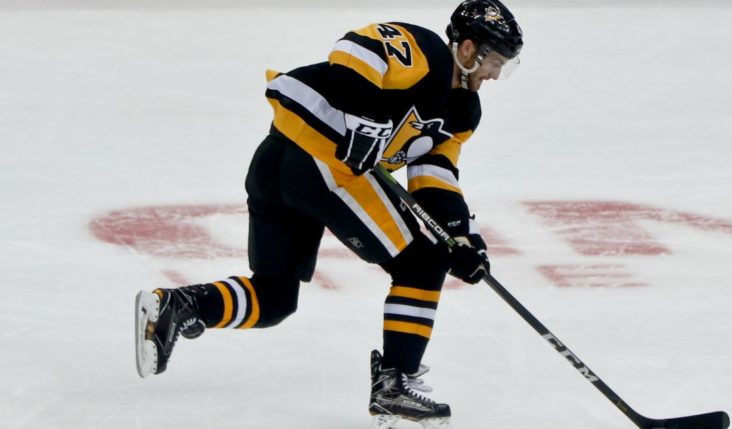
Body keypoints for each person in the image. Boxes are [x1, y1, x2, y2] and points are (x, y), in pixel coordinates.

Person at [134, 1, 523, 427]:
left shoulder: (463, 113)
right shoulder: (427, 51)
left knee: (275, 299)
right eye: (494, 61)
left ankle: (180, 306)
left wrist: (463, 238)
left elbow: (436, 175)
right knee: (422, 260)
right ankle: (395, 382)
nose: (495, 75)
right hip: (318, 165)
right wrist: (368, 119)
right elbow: (355, 50)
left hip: (284, 166)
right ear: (466, 49)